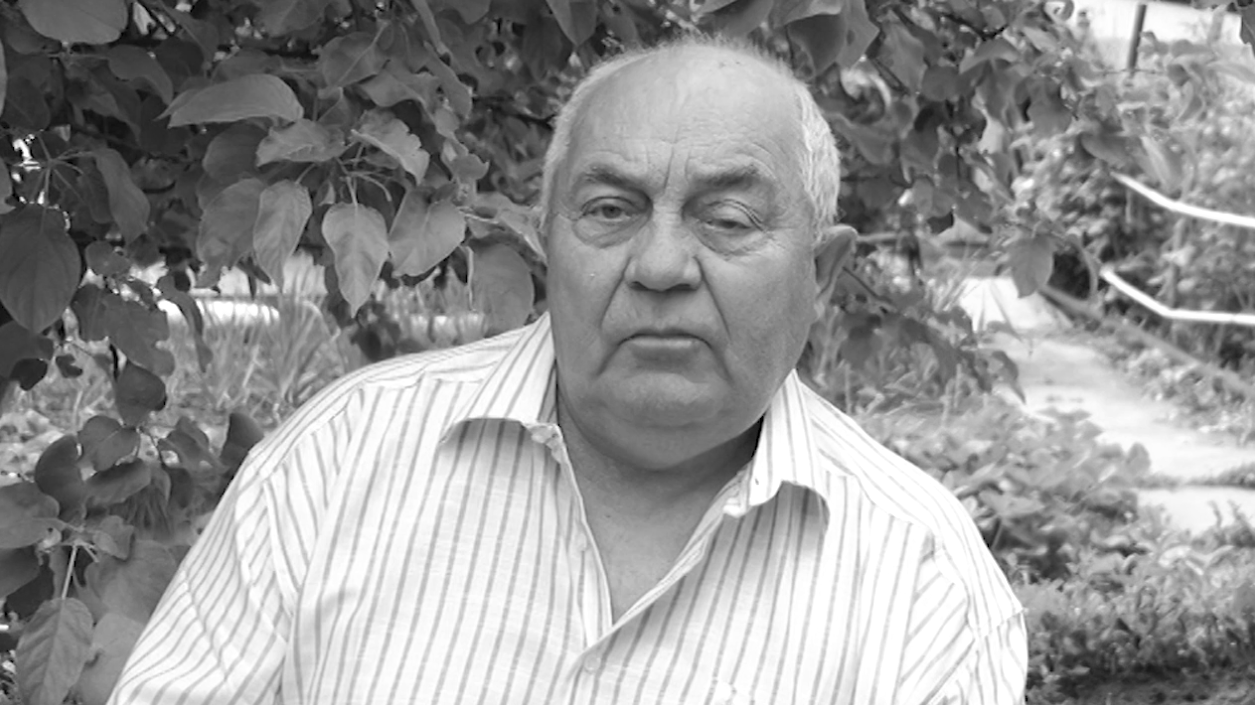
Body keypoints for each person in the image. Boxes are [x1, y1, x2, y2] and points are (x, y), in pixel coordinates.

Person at [108, 35, 1027, 705]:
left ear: (820, 273)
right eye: (611, 210)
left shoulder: (921, 579)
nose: (659, 266)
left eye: (727, 219)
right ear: (548, 241)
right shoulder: (337, 463)